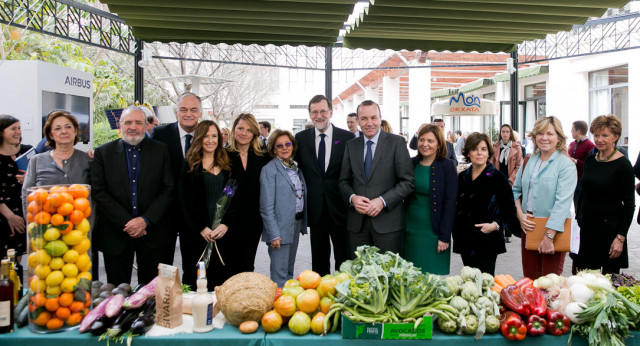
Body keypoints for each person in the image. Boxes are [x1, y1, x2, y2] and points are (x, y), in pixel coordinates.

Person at [91, 106, 173, 285]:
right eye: (128, 122)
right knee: (116, 293)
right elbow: (99, 192)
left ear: (146, 126)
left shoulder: (161, 151)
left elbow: (167, 189)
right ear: (119, 126)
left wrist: (145, 220)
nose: (133, 127)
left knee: (151, 292)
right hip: (116, 234)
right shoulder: (103, 153)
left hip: (152, 233)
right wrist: (128, 223)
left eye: (138, 122)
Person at [339, 100, 414, 255]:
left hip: (388, 225)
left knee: (389, 276)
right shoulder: (351, 145)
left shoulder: (397, 143)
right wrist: (352, 198)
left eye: (373, 118)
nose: (369, 123)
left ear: (380, 118)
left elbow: (407, 182)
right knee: (359, 276)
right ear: (358, 121)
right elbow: (343, 181)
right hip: (357, 227)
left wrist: (382, 201)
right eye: (364, 119)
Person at [294, 95, 354, 276]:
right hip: (316, 209)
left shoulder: (347, 138)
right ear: (310, 114)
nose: (319, 116)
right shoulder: (301, 139)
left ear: (331, 112)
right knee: (318, 259)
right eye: (314, 112)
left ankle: (342, 297)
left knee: (343, 260)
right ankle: (320, 297)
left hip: (341, 208)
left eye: (322, 111)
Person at [512, 116, 576, 279]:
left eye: (550, 133)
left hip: (553, 229)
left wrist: (549, 236)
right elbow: (516, 190)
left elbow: (562, 203)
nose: (544, 137)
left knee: (550, 282)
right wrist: (520, 214)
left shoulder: (565, 165)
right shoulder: (530, 160)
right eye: (540, 133)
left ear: (559, 138)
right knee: (530, 279)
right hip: (529, 225)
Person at [572, 115, 635, 274]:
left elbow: (629, 205)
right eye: (597, 135)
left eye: (605, 135)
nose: (599, 139)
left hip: (610, 232)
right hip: (587, 230)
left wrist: (620, 238)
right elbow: (584, 192)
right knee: (584, 279)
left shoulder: (623, 165)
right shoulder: (590, 160)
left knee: (608, 285)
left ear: (616, 137)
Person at [152, 92, 202, 282]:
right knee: (163, 266)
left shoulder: (207, 136)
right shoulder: (159, 135)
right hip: (166, 212)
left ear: (200, 113)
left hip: (195, 214)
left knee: (194, 266)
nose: (188, 114)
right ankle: (163, 306)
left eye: (193, 110)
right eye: (183, 109)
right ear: (175, 112)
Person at [453, 133, 517, 275]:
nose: (479, 153)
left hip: (487, 238)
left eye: (483, 149)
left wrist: (495, 225)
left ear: (488, 152)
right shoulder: (462, 177)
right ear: (468, 153)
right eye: (475, 149)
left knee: (485, 281)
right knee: (468, 279)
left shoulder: (497, 178)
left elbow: (509, 210)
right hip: (465, 238)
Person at [178, 120, 231, 290]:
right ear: (199, 138)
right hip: (197, 235)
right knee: (196, 280)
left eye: (214, 136)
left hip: (221, 234)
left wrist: (225, 224)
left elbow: (234, 199)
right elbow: (184, 201)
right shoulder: (189, 164)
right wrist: (201, 227)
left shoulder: (227, 164)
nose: (210, 140)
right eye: (206, 136)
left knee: (220, 280)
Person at [404, 125, 457, 275]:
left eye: (430, 141)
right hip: (410, 231)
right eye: (422, 140)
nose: (425, 144)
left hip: (434, 232)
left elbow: (450, 203)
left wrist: (444, 236)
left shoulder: (447, 166)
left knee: (433, 279)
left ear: (439, 144)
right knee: (411, 276)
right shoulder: (411, 163)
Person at [260, 130, 307, 286]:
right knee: (279, 275)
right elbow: (266, 207)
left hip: (294, 224)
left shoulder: (295, 167)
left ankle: (287, 305)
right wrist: (274, 234)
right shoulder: (269, 170)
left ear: (292, 146)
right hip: (278, 230)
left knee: (288, 271)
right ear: (273, 149)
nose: (284, 148)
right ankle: (278, 306)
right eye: (279, 146)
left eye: (288, 144)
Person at [225, 113, 270, 274]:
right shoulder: (224, 155)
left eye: (249, 130)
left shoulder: (262, 156)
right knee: (229, 263)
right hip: (229, 219)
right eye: (240, 128)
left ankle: (245, 298)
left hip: (253, 219)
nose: (244, 133)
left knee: (247, 263)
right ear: (234, 129)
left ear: (254, 134)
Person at [23, 111, 91, 192]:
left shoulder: (87, 160)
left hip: (81, 204)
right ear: (51, 135)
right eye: (57, 128)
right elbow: (26, 193)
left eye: (68, 127)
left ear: (75, 131)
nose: (64, 131)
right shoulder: (36, 161)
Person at [0, 115, 31, 260]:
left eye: (19, 128)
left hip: (25, 213)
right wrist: (9, 216)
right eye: (13, 128)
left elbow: (43, 180)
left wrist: (29, 179)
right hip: (4, 215)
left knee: (16, 260)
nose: (18, 132)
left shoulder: (28, 151)